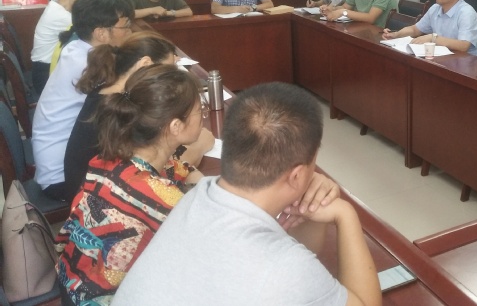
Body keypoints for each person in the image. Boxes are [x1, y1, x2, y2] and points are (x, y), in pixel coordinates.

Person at [113, 83, 380, 306]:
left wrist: (306, 202)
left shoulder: (200, 195)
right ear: (297, 175)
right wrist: (346, 214)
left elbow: (292, 256)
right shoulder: (286, 271)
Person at [55, 65, 206, 306]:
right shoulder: (164, 202)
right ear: (176, 126)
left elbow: (178, 169)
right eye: (200, 110)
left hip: (71, 287)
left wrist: (199, 181)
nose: (203, 115)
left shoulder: (111, 157)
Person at [62, 31, 214, 202]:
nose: (170, 80)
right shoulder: (119, 109)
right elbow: (153, 171)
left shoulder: (115, 95)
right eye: (166, 71)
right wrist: (198, 149)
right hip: (93, 195)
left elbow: (160, 163)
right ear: (145, 64)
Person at [32, 0, 135, 201]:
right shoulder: (89, 65)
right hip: (64, 177)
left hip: (59, 162)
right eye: (126, 26)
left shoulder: (78, 48)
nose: (131, 32)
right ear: (101, 33)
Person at [382, 0, 477, 56]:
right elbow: (415, 29)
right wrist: (396, 34)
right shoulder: (436, 8)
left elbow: (464, 46)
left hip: (468, 64)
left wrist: (433, 38)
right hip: (445, 58)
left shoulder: (466, 13)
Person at [31, 0, 86, 95]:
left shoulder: (57, 5)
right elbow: (89, 28)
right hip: (45, 74)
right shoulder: (60, 16)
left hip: (46, 68)